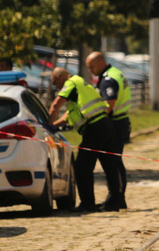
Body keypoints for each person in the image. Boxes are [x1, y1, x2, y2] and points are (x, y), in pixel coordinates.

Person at [47, 67, 125, 212]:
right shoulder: (80, 87)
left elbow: (56, 105)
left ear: (59, 77)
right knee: (109, 165)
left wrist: (48, 124)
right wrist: (55, 126)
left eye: (54, 83)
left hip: (94, 128)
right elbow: (68, 117)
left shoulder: (70, 82)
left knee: (82, 167)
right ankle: (115, 201)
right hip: (105, 125)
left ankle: (87, 203)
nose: (55, 87)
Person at [86, 51, 131, 210]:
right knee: (115, 161)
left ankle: (116, 198)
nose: (90, 70)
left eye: (91, 66)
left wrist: (98, 123)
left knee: (114, 162)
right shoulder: (115, 73)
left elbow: (109, 105)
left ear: (100, 62)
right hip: (121, 121)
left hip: (115, 124)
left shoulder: (108, 79)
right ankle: (117, 198)